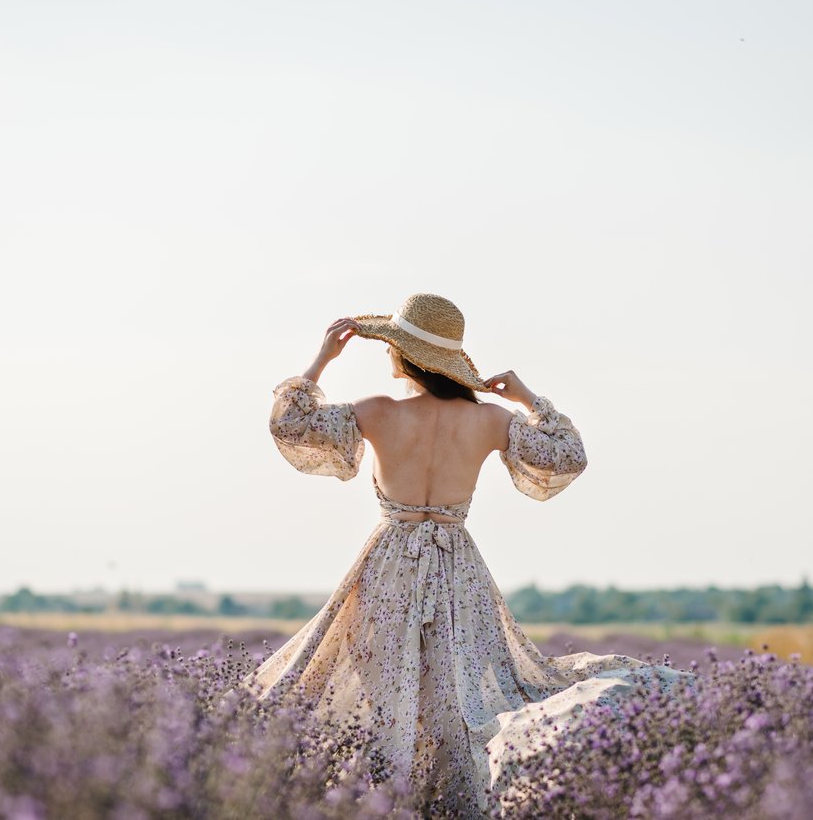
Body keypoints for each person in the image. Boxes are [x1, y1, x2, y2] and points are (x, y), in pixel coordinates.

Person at [247, 293, 693, 816]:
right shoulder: (489, 420)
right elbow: (568, 456)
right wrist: (529, 398)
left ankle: (388, 796)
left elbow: (292, 424)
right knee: (460, 686)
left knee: (381, 680)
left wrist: (322, 360)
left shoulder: (378, 412)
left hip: (388, 560)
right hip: (458, 562)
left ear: (401, 356)